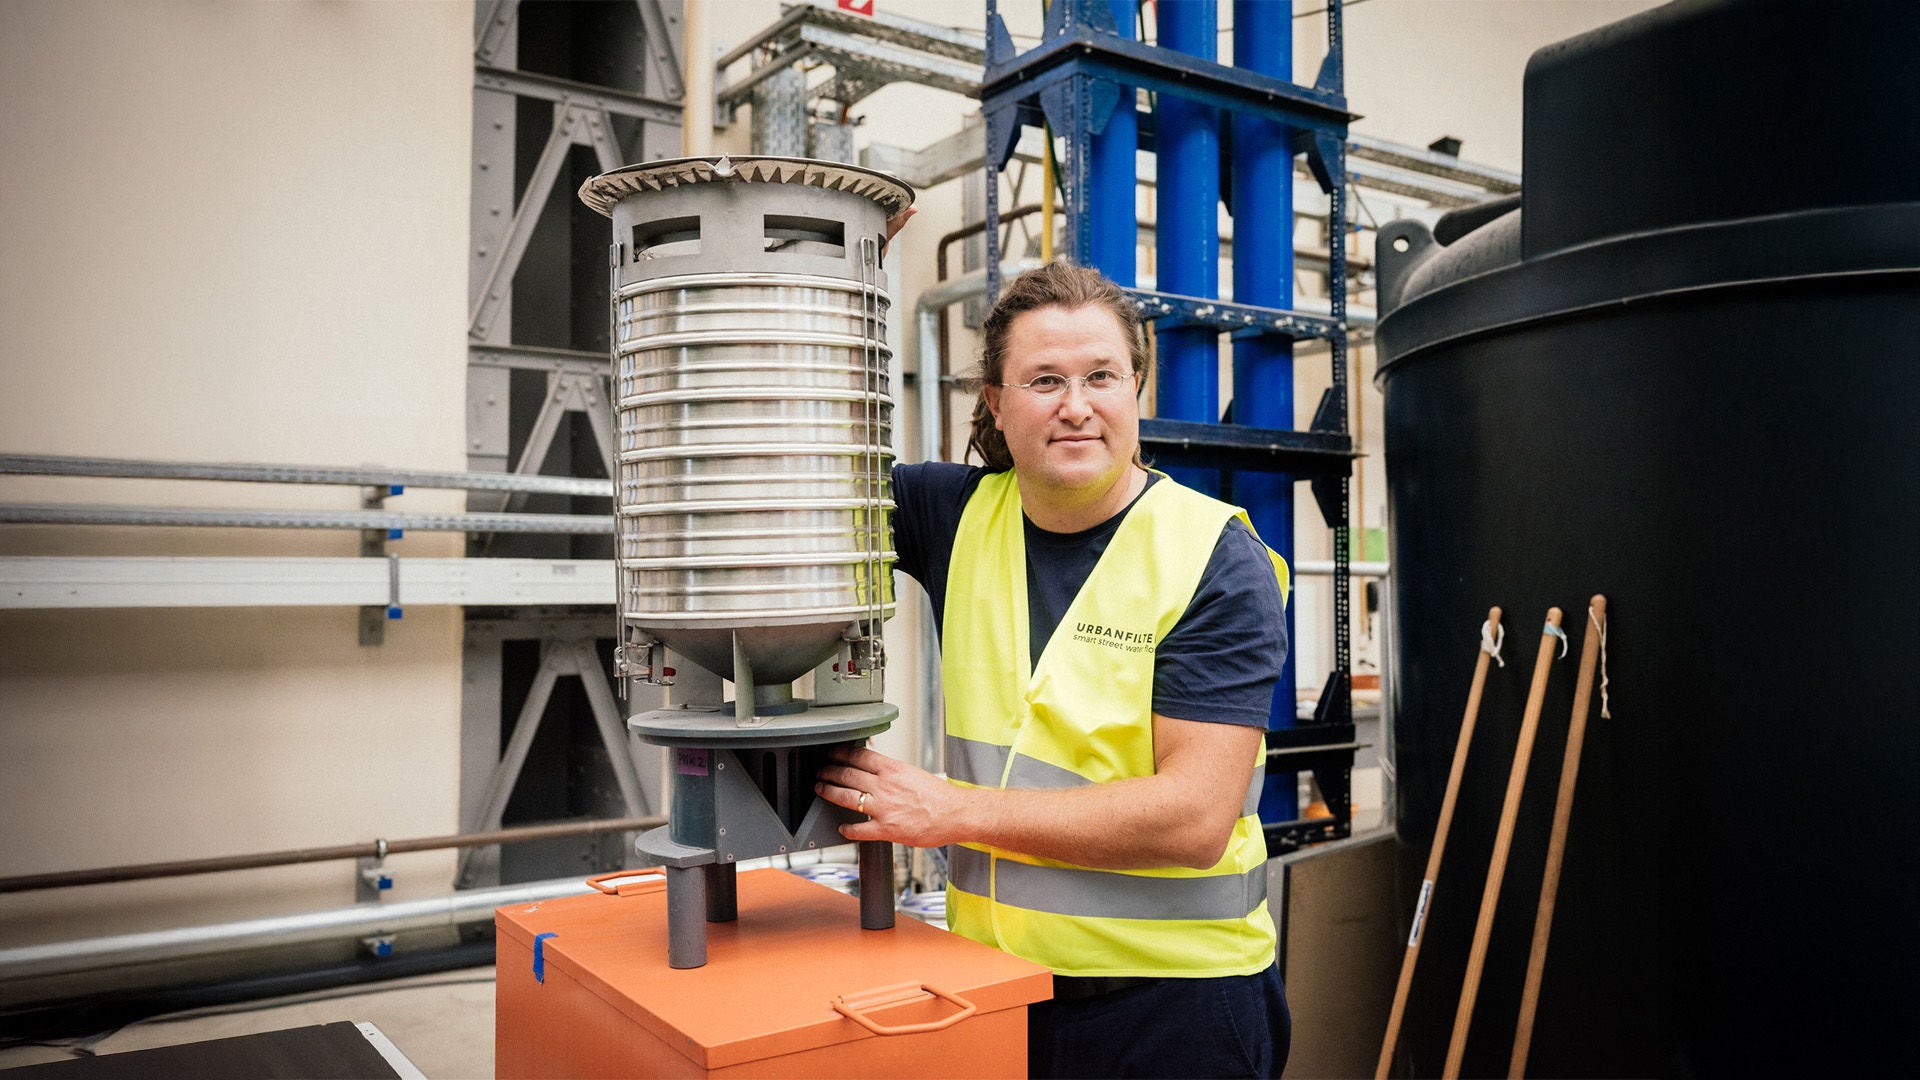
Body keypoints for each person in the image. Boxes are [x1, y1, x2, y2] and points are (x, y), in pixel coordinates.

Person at [815, 259, 1292, 1079]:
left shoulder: (1214, 558)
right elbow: (807, 470)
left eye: (1100, 375)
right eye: (1043, 380)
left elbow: (1194, 817)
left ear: (1135, 387)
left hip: (1176, 1010)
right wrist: (849, 263)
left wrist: (952, 810)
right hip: (995, 993)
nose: (1076, 406)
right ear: (997, 404)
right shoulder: (957, 516)